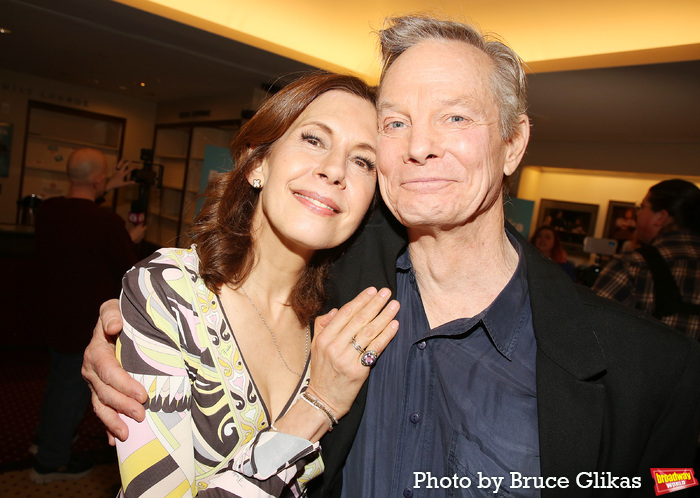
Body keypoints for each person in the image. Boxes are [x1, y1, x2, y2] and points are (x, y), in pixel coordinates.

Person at [83, 15, 700, 497]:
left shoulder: (649, 369)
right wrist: (136, 330)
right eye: (397, 123)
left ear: (513, 143)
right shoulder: (331, 282)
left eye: (454, 116)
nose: (421, 146)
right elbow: (222, 311)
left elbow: (677, 479)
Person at [109, 73, 399, 496]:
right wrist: (318, 405)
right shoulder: (169, 292)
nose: (335, 170)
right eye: (314, 139)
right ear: (256, 163)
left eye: (363, 161)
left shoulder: (344, 321)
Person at [30, 148, 145, 484]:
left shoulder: (48, 211)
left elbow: (77, 215)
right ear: (98, 179)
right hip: (83, 324)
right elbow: (128, 268)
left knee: (57, 383)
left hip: (52, 317)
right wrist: (133, 239)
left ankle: (43, 441)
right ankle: (50, 463)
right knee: (71, 391)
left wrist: (102, 186)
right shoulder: (106, 223)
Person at [593, 179, 700, 340]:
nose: (637, 213)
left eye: (642, 206)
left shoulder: (633, 265)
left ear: (661, 217)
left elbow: (588, 328)